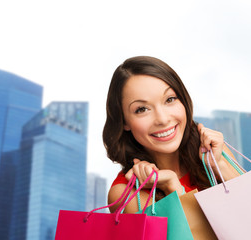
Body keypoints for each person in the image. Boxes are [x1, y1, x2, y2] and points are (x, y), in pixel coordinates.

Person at [103, 56, 241, 213]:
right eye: (142, 109)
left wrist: (220, 166)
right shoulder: (126, 194)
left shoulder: (214, 153)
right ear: (124, 122)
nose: (162, 119)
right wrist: (173, 187)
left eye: (170, 99)